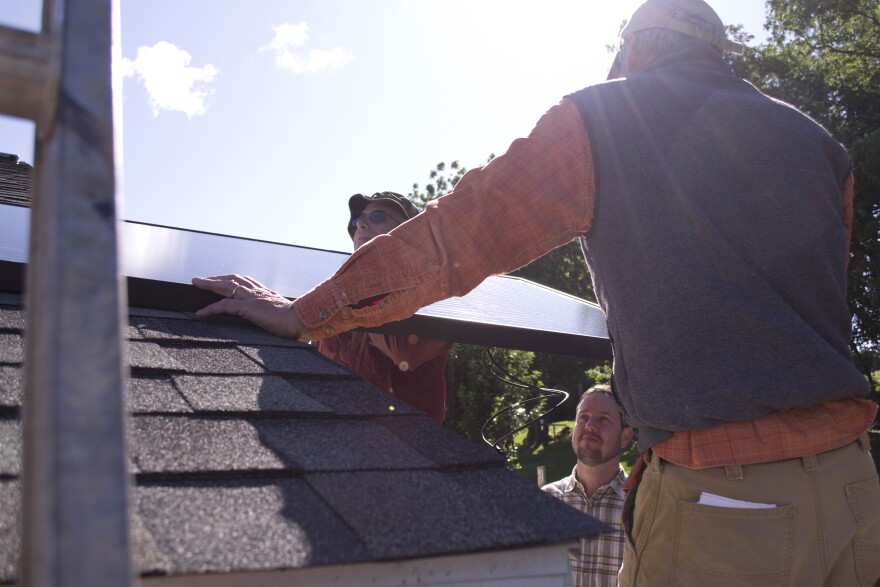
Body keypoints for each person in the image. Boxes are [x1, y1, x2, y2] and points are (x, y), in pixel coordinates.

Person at [193, 0, 880, 584]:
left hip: (728, 505)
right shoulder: (819, 145)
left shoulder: (609, 118)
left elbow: (450, 241)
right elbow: (822, 301)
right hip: (855, 486)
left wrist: (303, 312)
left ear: (636, 48)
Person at [315, 192, 452, 423]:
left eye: (378, 216)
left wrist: (362, 288)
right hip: (330, 434)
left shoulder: (434, 291)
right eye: (357, 219)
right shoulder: (332, 296)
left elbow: (404, 351)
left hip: (409, 445)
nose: (359, 223)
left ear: (410, 235)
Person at [543, 385, 633, 587]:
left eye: (603, 419)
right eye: (583, 417)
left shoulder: (641, 505)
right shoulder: (545, 501)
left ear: (625, 436)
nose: (590, 425)